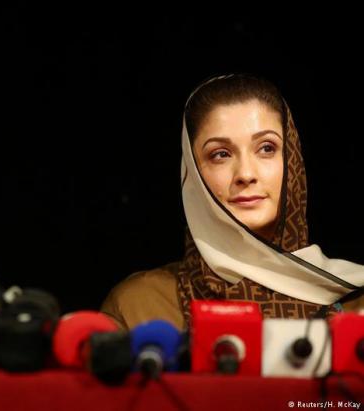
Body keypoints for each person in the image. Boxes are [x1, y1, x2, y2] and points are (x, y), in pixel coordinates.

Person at [101, 74, 364, 331]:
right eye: (221, 154)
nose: (246, 175)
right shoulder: (141, 308)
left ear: (292, 161)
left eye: (266, 148)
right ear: (193, 175)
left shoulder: (355, 303)